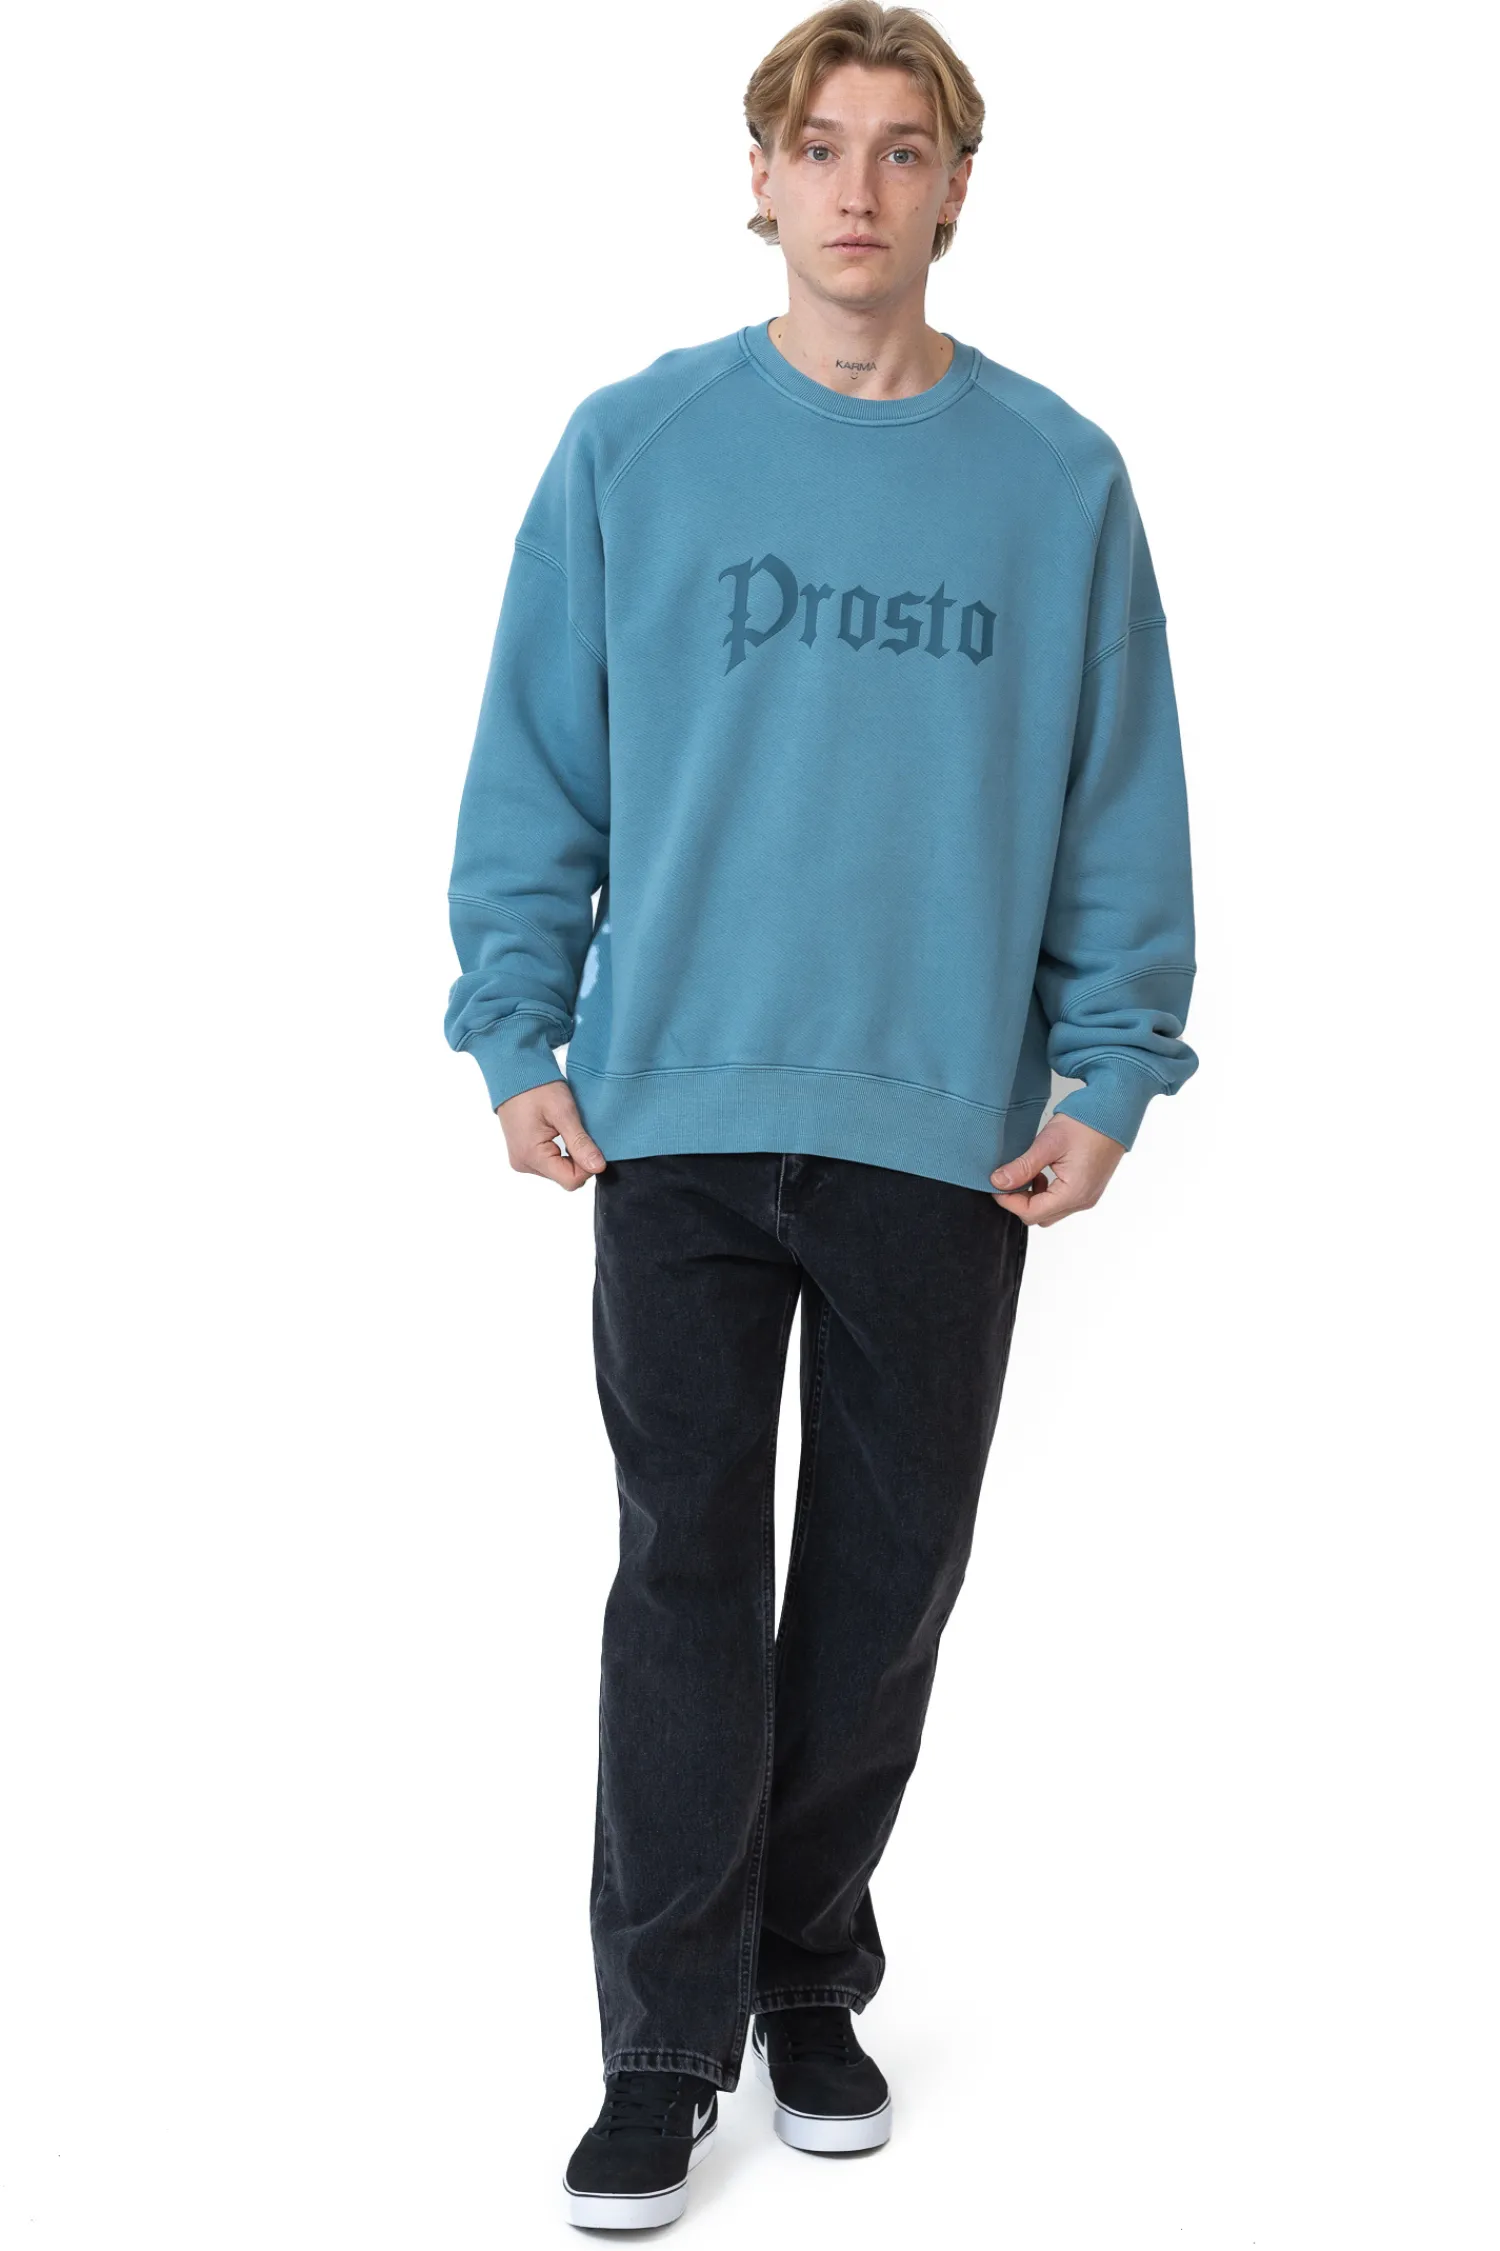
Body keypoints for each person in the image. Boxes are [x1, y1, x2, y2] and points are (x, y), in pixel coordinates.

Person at [443, 2, 1198, 2228]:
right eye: (819, 143)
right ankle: (661, 2043)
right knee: (686, 1576)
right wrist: (516, 1026)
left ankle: (804, 1968)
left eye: (901, 147)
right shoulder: (637, 448)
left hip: (941, 1128)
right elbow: (539, 761)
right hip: (672, 1113)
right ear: (759, 177)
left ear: (959, 187)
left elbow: (1119, 798)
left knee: (882, 1590)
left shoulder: (1058, 480)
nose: (856, 186)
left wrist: (1115, 1062)